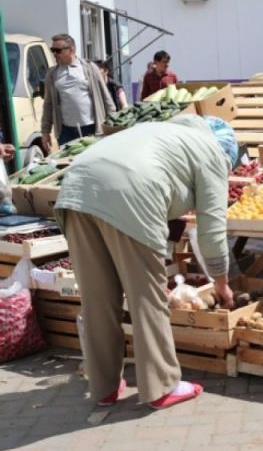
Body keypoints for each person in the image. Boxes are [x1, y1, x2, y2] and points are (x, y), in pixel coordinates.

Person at [54, 115, 238, 409]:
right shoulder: (212, 152)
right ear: (228, 153)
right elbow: (212, 229)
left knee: (97, 299)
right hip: (129, 194)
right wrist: (222, 283)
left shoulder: (162, 133)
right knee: (147, 298)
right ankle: (162, 386)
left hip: (76, 191)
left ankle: (103, 387)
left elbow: (167, 208)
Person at [40, 33, 116, 151]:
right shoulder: (52, 74)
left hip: (92, 129)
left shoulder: (90, 68)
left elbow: (106, 97)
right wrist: (45, 132)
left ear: (71, 50)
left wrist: (113, 123)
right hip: (66, 132)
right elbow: (48, 105)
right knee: (70, 166)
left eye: (58, 50)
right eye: (52, 50)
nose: (55, 54)